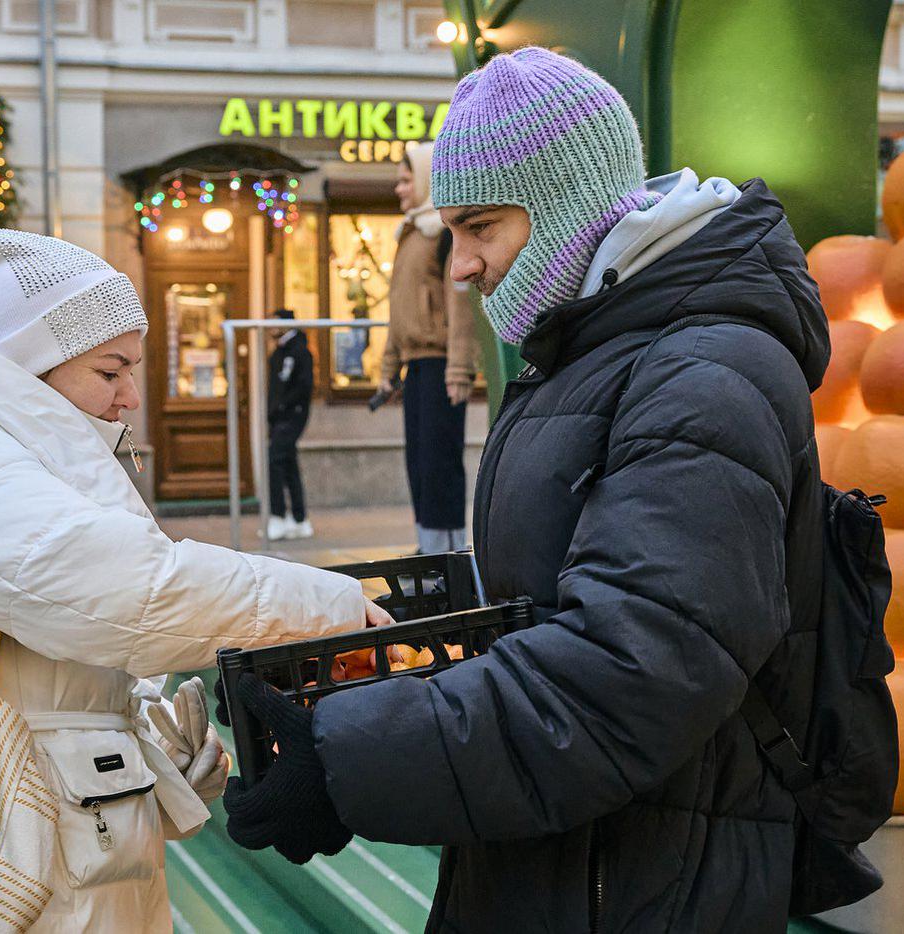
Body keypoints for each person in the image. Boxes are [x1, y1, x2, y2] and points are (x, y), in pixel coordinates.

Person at [224, 47, 831, 933]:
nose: (460, 263)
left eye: (480, 227)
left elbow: (632, 671)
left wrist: (348, 761)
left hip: (643, 883)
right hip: (567, 857)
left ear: (567, 205)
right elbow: (556, 598)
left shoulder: (703, 371)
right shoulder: (590, 348)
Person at [0, 226, 392, 931]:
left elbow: (45, 669)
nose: (130, 395)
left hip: (38, 844)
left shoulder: (21, 446)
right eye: (110, 370)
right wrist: (327, 606)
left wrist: (146, 741)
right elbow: (128, 593)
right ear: (31, 359)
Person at [380, 141, 477, 554]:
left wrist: (460, 369)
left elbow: (462, 307)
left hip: (440, 366)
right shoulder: (410, 233)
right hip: (416, 367)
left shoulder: (442, 235)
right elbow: (397, 311)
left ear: (425, 179)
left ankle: (448, 558)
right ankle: (429, 549)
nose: (400, 189)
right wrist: (388, 367)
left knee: (439, 466)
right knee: (418, 465)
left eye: (406, 180)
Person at [266, 309, 314, 541]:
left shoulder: (299, 351)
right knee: (288, 463)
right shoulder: (279, 352)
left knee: (275, 460)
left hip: (291, 416)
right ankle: (299, 518)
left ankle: (278, 516)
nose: (270, 328)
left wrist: (284, 407)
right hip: (279, 417)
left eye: (275, 323)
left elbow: (303, 386)